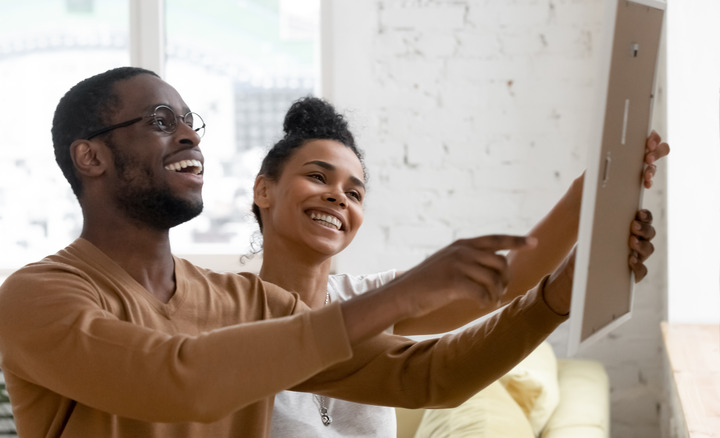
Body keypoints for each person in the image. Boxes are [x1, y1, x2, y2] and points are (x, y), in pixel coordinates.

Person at [0, 67, 631, 438]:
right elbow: (179, 379)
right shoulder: (37, 297)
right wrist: (402, 296)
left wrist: (559, 292)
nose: (190, 134)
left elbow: (428, 375)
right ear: (91, 156)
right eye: (162, 121)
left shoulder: (246, 301)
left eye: (192, 121)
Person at [254, 97, 667, 437]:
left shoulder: (367, 299)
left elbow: (506, 283)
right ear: (263, 190)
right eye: (317, 177)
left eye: (354, 193)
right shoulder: (230, 314)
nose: (338, 197)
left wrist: (589, 193)